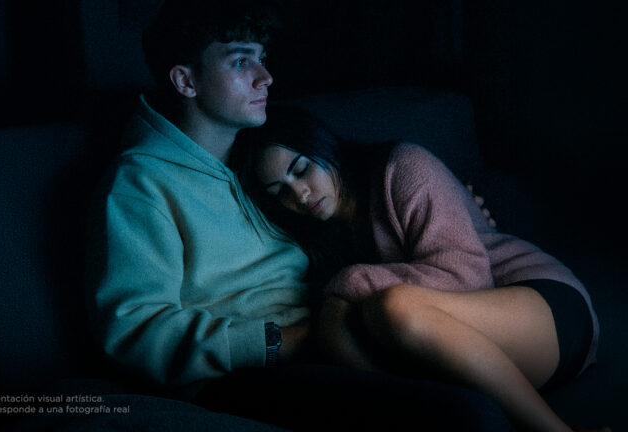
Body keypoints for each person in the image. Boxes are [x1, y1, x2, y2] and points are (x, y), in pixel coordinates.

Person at [87, 1, 516, 430]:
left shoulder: (258, 161)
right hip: (251, 370)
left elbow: (345, 200)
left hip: (335, 331)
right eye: (241, 61)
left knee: (481, 381)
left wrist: (457, 207)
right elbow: (134, 330)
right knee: (468, 415)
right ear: (186, 81)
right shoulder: (140, 183)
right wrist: (278, 342)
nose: (265, 76)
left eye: (262, 58)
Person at [232, 106, 609, 432]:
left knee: (393, 306)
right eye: (279, 192)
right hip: (473, 352)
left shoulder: (402, 167)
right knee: (343, 327)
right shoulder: (325, 242)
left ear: (323, 146)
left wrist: (350, 282)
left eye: (302, 170)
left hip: (544, 308)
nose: (299, 195)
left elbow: (468, 276)